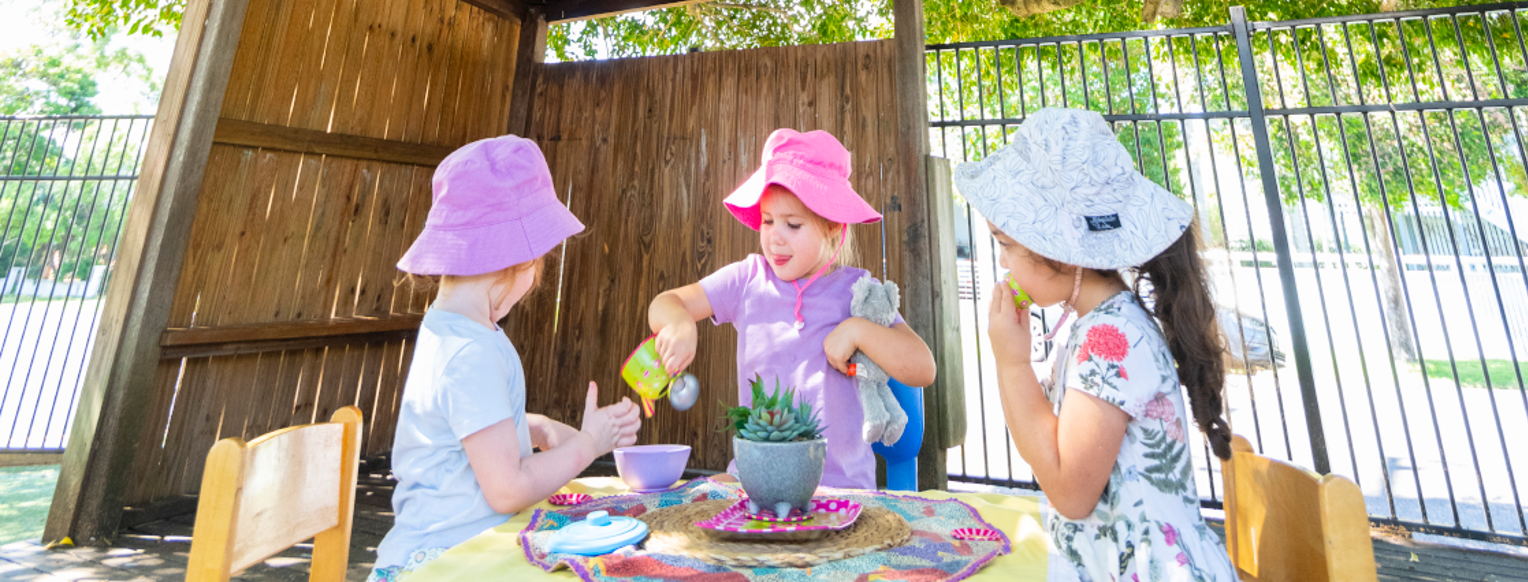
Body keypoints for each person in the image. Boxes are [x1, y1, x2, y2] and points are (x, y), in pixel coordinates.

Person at [954, 108, 1239, 582]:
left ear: (1058, 249)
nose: (1003, 262)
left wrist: (1011, 364)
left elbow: (1070, 491)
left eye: (1005, 244)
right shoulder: (1100, 326)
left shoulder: (1110, 339)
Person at [372, 135, 641, 581]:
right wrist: (588, 444)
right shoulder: (470, 353)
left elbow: (461, 427)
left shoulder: (451, 327)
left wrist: (534, 427)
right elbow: (508, 488)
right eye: (538, 261)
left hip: (447, 553)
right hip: (443, 564)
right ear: (516, 259)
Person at [648, 128, 936, 489]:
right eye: (767, 220)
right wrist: (679, 324)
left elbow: (923, 368)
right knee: (693, 501)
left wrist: (858, 330)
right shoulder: (746, 280)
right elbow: (666, 303)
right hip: (757, 481)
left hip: (839, 489)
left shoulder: (859, 293)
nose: (775, 237)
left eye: (793, 224)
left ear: (832, 225)